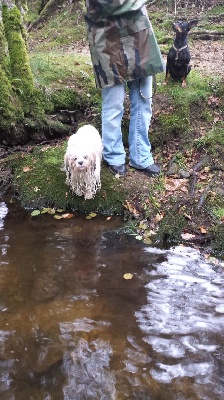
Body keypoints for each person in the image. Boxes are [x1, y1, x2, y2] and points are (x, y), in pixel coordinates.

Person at [84, 0, 165, 176]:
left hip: (139, 35)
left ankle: (141, 156)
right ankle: (114, 156)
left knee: (144, 100)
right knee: (113, 104)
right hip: (106, 37)